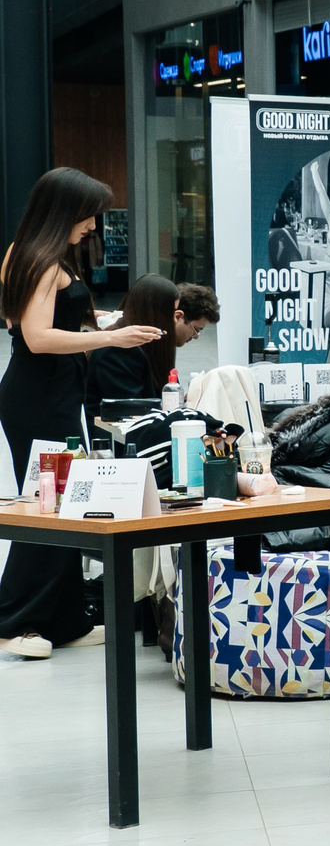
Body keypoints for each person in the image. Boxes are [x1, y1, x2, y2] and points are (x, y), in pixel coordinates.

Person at [0, 170, 158, 660]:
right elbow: (36, 337)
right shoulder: (40, 262)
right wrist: (109, 337)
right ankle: (15, 620)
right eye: (88, 214)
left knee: (65, 501)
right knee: (50, 503)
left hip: (53, 392)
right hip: (39, 395)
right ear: (65, 210)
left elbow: (40, 323)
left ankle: (65, 618)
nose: (92, 224)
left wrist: (105, 324)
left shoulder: (31, 255)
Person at [90, 274, 192, 406]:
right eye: (172, 312)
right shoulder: (118, 352)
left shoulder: (147, 348)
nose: (174, 320)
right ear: (155, 314)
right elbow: (129, 411)